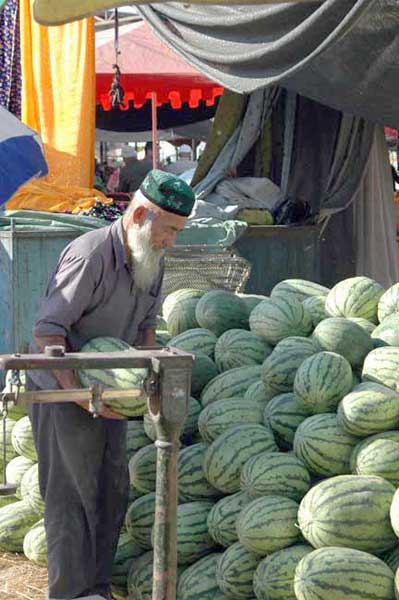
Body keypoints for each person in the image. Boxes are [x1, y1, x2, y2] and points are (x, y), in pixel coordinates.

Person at [27, 169, 195, 600]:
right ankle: (69, 593)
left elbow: (146, 329)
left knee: (109, 491)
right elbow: (49, 332)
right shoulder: (90, 255)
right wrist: (81, 396)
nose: (170, 241)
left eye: (178, 232)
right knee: (71, 495)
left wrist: (143, 377)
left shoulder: (151, 260)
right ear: (139, 214)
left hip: (113, 393)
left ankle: (96, 589)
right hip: (64, 391)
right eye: (169, 230)